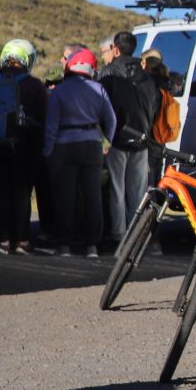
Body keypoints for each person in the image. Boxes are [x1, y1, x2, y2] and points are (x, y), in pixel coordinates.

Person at [0, 40, 48, 254]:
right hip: (25, 149)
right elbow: (44, 119)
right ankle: (21, 239)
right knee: (22, 193)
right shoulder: (35, 86)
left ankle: (1, 239)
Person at [43, 49, 116, 257]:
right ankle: (92, 246)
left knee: (65, 198)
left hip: (64, 147)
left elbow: (51, 126)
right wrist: (106, 142)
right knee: (93, 197)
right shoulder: (99, 89)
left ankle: (64, 245)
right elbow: (111, 120)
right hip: (92, 145)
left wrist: (48, 151)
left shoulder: (59, 91)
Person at [98, 31, 159, 252]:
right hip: (142, 139)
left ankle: (119, 234)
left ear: (115, 49)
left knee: (117, 189)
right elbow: (154, 107)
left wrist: (106, 135)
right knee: (138, 191)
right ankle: (137, 233)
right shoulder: (147, 78)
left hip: (117, 138)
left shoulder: (108, 72)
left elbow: (102, 105)